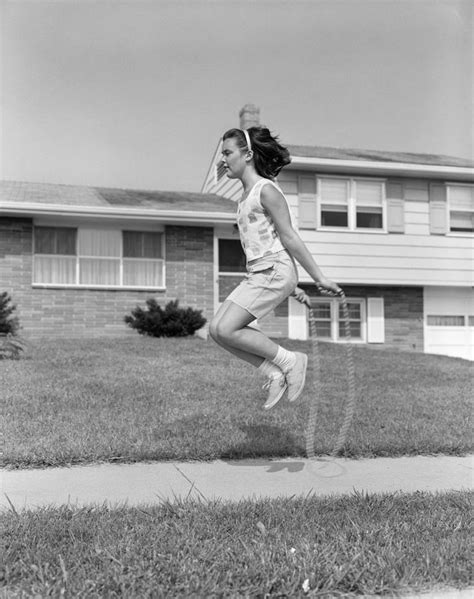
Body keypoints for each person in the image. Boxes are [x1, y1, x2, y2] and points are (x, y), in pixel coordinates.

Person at [209, 126, 340, 410]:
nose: (223, 160)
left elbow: (289, 237)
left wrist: (319, 277)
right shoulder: (243, 198)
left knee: (228, 328)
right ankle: (273, 373)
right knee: (217, 330)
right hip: (261, 273)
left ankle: (291, 361)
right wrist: (294, 289)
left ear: (248, 155)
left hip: (274, 270)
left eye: (228, 153)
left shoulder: (266, 191)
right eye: (222, 154)